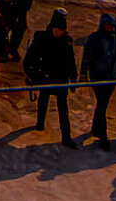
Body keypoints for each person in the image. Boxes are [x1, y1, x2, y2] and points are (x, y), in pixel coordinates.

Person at [24, 8, 78, 146]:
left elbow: (71, 61)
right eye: (57, 29)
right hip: (46, 76)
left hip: (61, 79)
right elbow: (30, 58)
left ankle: (66, 136)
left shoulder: (67, 41)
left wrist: (73, 79)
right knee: (43, 100)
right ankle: (40, 124)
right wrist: (32, 74)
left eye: (62, 30)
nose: (59, 33)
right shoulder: (42, 38)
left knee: (63, 109)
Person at [81, 11, 116, 146]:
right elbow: (87, 56)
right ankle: (102, 134)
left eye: (112, 25)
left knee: (102, 103)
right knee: (102, 103)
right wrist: (84, 72)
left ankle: (97, 129)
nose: (110, 27)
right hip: (97, 75)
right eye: (108, 25)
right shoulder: (94, 38)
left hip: (112, 76)